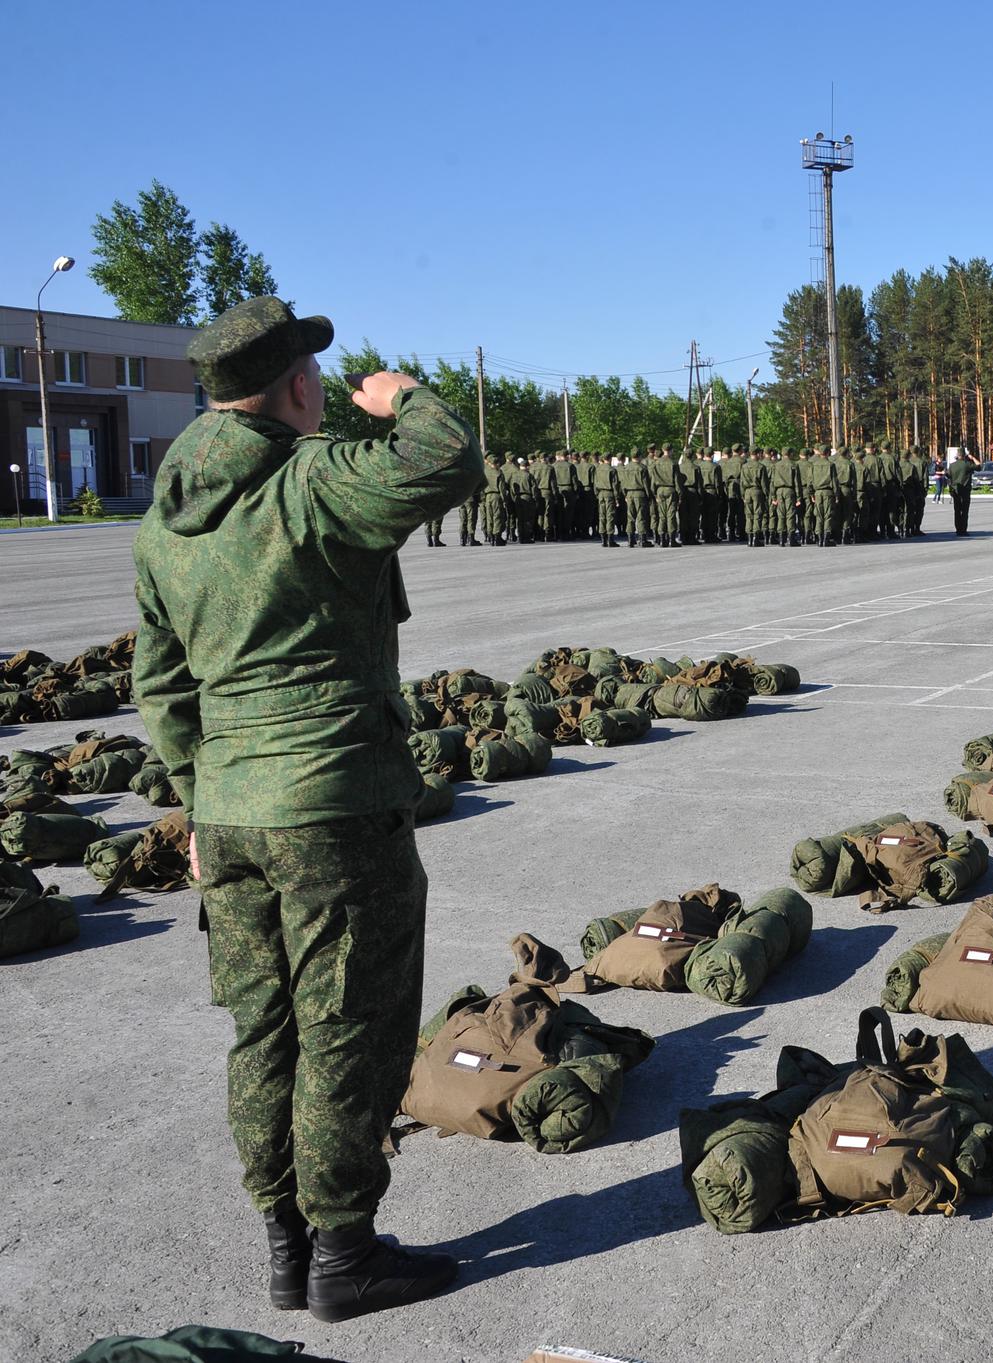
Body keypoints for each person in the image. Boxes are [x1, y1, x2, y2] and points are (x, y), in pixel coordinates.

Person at [131, 297, 477, 1322]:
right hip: (330, 800)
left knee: (263, 1026)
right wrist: (404, 397)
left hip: (231, 811)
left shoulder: (164, 523)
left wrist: (197, 802)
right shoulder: (310, 480)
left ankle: (284, 1244)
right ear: (294, 386)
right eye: (318, 378)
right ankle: (343, 1252)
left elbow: (162, 685)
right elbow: (446, 461)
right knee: (347, 1027)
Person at [947, 448, 977, 537]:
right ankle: (963, 530)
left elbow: (948, 476)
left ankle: (958, 530)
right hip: (965, 490)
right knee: (964, 511)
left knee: (957, 511)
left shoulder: (952, 465)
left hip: (955, 490)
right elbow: (979, 466)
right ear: (965, 455)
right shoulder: (967, 464)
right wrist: (972, 458)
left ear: (957, 455)